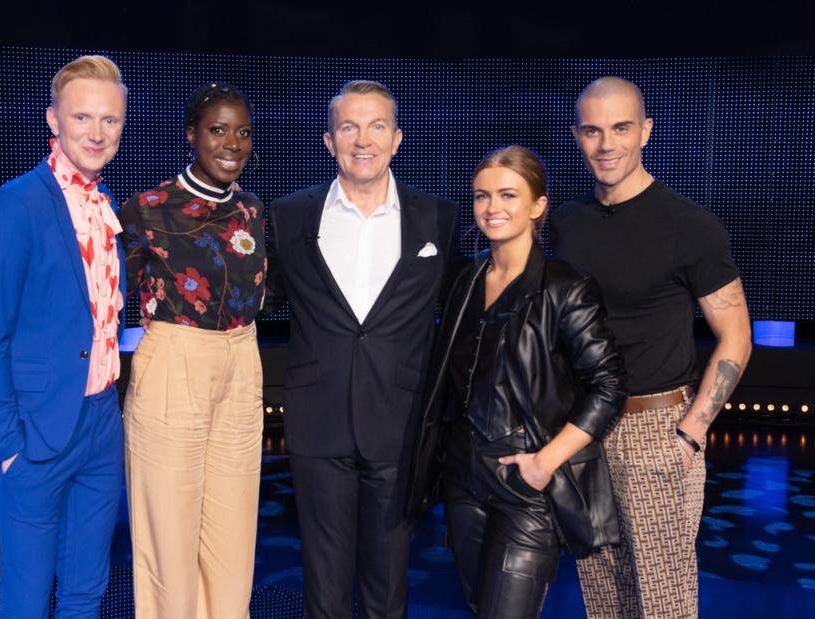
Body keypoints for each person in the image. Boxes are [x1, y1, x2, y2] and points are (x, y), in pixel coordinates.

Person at [553, 76, 753, 618]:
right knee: (603, 596)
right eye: (592, 131)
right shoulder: (566, 224)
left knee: (664, 603)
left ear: (646, 131)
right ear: (577, 136)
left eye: (620, 128)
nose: (606, 144)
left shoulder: (690, 227)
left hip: (656, 429)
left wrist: (690, 433)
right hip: (583, 429)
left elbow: (735, 335)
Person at [265, 80, 459, 618]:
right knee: (322, 586)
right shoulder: (289, 216)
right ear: (329, 141)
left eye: (376, 126)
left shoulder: (436, 220)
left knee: (388, 584)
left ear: (397, 139)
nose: (362, 140)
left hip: (399, 424)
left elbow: (462, 317)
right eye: (348, 127)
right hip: (317, 421)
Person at [407, 145, 626, 618]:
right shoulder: (464, 279)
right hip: (463, 481)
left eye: (508, 195)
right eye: (482, 196)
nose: (492, 208)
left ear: (538, 205)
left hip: (526, 487)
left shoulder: (565, 286)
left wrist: (545, 462)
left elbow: (608, 386)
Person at [0, 55, 128, 617]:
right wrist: (6, 445)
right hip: (35, 432)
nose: (97, 132)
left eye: (110, 120)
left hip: (101, 424)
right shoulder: (17, 204)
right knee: (28, 599)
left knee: (88, 589)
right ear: (53, 121)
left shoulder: (105, 204)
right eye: (82, 117)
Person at [118, 82, 265, 618]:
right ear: (191, 135)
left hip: (242, 368)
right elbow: (103, 299)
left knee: (232, 546)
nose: (232, 143)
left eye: (243, 132)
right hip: (173, 364)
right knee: (169, 544)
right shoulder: (147, 210)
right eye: (218, 130)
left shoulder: (252, 210)